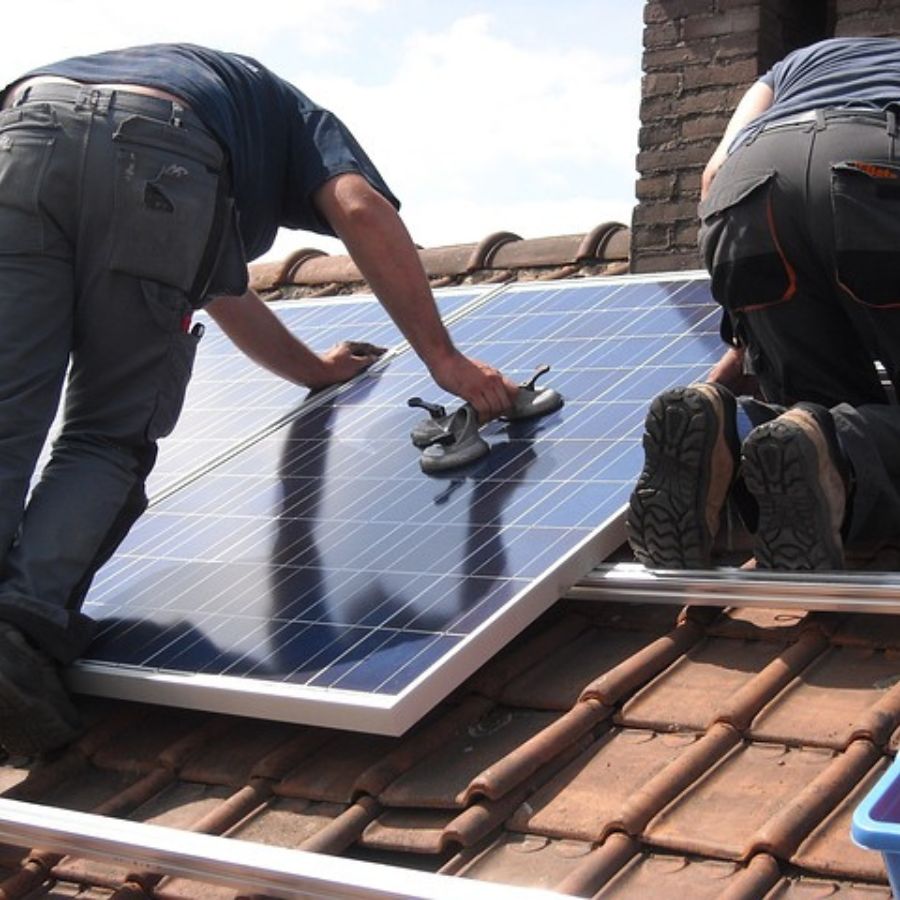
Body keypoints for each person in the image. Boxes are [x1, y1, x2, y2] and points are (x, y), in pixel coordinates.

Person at [0, 43, 519, 755]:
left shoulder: (218, 96)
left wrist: (312, 370)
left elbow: (215, 285)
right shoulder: (300, 120)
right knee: (106, 433)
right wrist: (445, 358)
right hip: (162, 149)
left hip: (22, 126)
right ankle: (17, 633)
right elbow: (359, 207)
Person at [627, 36, 900, 575]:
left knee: (811, 414)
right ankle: (840, 452)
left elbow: (712, 175)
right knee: (835, 437)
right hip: (874, 169)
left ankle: (731, 433)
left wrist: (746, 334)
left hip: (746, 189)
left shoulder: (796, 63)